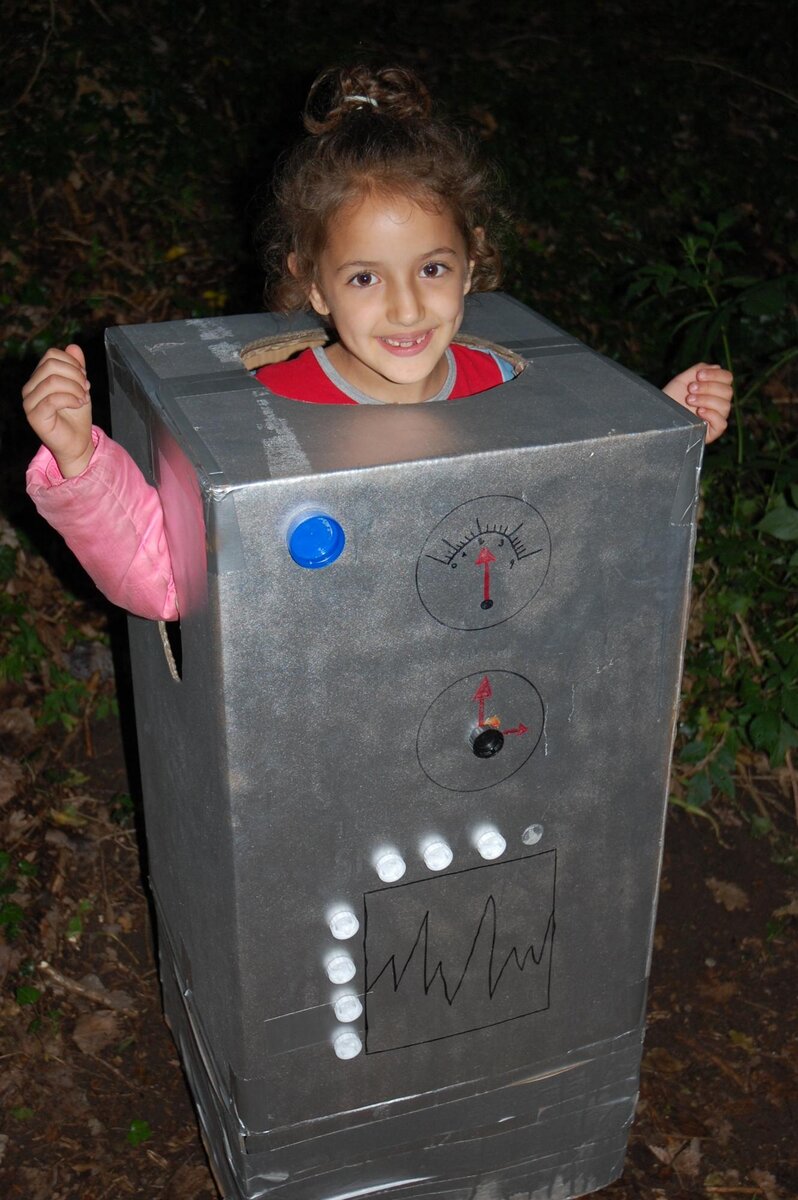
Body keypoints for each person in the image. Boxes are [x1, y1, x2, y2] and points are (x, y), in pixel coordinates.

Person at [24, 65, 733, 621]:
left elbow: (575, 529)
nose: (405, 307)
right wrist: (80, 459)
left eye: (432, 269)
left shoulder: (507, 386)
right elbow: (168, 585)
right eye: (364, 277)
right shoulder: (270, 412)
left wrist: (658, 429)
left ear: (471, 262)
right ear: (315, 286)